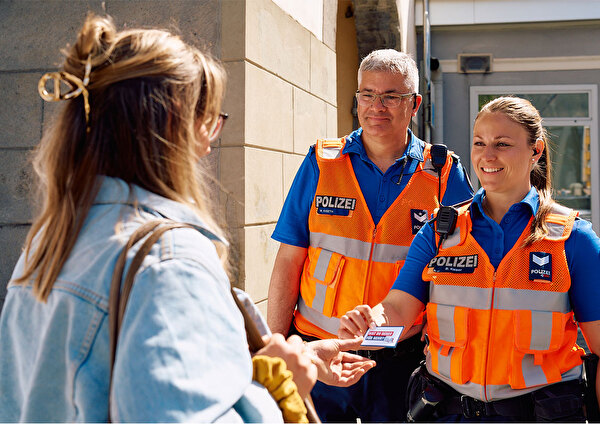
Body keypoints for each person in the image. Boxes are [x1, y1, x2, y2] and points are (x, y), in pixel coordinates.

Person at [0, 14, 375, 422]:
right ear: (174, 125)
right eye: (211, 121)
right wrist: (281, 390)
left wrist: (293, 357)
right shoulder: (166, 261)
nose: (211, 145)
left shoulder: (49, 243)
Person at [339, 96, 600, 422]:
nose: (487, 156)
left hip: (541, 414)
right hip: (449, 412)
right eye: (479, 143)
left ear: (536, 150)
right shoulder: (439, 231)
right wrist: (372, 322)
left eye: (502, 144)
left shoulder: (573, 239)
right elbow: (398, 309)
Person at [267, 49, 473, 422]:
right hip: (320, 351)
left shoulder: (443, 174)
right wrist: (275, 347)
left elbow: (464, 274)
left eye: (391, 96)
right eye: (367, 94)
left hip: (400, 360)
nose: (376, 106)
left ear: (415, 104)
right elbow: (289, 260)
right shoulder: (322, 162)